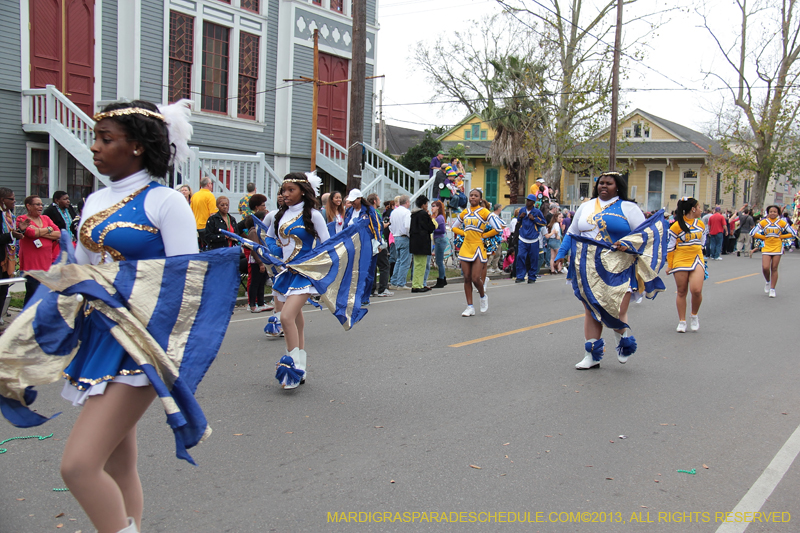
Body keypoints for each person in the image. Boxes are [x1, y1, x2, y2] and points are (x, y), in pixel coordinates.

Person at [61, 99, 202, 533]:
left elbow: (188, 283)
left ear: (138, 146)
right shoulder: (95, 200)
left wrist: (166, 350)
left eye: (106, 139)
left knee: (79, 466)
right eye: (95, 138)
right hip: (98, 337)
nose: (95, 148)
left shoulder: (165, 202)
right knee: (119, 465)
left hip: (142, 344)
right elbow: (85, 267)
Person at [555, 171, 661, 370]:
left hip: (619, 265)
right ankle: (592, 354)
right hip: (586, 266)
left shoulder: (629, 208)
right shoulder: (586, 206)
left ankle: (622, 339)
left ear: (617, 186)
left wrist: (627, 243)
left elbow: (644, 235)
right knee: (590, 310)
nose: (603, 186)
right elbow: (572, 233)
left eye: (608, 183)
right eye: (601, 183)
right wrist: (560, 254)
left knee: (617, 309)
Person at [266, 172, 330, 389]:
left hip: (305, 274)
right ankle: (300, 368)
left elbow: (327, 244)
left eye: (291, 190)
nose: (286, 194)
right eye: (284, 190)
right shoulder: (279, 215)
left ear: (303, 191)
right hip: (287, 273)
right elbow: (270, 237)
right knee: (297, 320)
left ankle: (291, 367)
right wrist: (274, 250)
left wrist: (315, 266)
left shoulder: (314, 215)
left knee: (286, 317)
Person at [451, 189, 498, 316]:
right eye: (471, 195)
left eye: (476, 196)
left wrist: (484, 235)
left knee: (476, 278)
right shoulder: (465, 212)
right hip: (466, 247)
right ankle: (470, 307)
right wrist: (463, 233)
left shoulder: (484, 212)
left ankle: (483, 296)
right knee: (466, 277)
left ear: (480, 198)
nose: (473, 197)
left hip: (478, 247)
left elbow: (498, 228)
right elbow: (454, 227)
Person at [666, 197, 707, 332]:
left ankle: (694, 315)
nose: (701, 210)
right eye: (699, 207)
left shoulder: (700, 224)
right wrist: (670, 265)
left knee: (696, 290)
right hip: (680, 260)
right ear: (693, 209)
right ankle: (682, 321)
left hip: (697, 259)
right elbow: (670, 247)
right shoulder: (676, 226)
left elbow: (702, 242)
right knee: (682, 291)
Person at [16, 195, 61, 305]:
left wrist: (40, 232)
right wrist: (48, 231)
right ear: (29, 206)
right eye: (37, 204)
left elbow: (58, 233)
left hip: (46, 265)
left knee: (44, 296)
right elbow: (31, 233)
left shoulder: (46, 218)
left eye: (41, 204)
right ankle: (28, 319)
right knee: (33, 296)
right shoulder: (22, 219)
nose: (41, 206)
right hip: (31, 266)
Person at [344, 189, 384, 305]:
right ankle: (354, 296)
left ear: (359, 199)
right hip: (353, 244)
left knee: (368, 272)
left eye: (354, 200)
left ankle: (364, 297)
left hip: (368, 244)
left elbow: (377, 226)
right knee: (354, 271)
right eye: (350, 201)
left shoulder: (369, 210)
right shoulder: (349, 211)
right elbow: (346, 227)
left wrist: (378, 242)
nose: (352, 203)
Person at [751, 205, 797, 298]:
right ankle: (767, 281)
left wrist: (781, 236)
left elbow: (793, 233)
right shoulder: (763, 222)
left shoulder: (782, 222)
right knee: (765, 267)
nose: (773, 213)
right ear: (768, 213)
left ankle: (772, 289)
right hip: (767, 246)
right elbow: (752, 232)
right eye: (771, 211)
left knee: (774, 268)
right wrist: (763, 237)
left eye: (775, 212)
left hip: (777, 246)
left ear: (778, 213)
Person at [0, 188, 22, 321]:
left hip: (7, 257)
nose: (14, 202)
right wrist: (11, 235)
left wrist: (20, 230)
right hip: (1, 258)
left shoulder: (8, 215)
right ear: (3, 200)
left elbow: (10, 234)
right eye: (11, 199)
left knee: (3, 290)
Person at [515, 194, 547, 284]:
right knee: (520, 256)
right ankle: (520, 276)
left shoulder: (537, 212)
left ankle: (532, 277)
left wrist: (535, 219)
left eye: (529, 200)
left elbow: (544, 223)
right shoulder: (522, 210)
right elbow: (518, 221)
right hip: (522, 238)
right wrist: (520, 217)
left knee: (534, 259)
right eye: (527, 200)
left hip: (533, 239)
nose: (527, 202)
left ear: (533, 202)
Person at [367, 193, 392, 297]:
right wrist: (387, 224)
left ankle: (371, 289)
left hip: (370, 242)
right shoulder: (375, 212)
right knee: (384, 265)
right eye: (378, 199)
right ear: (374, 201)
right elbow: (379, 226)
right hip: (377, 241)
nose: (380, 201)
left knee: (373, 266)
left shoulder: (367, 211)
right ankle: (382, 289)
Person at [409, 195, 435, 293]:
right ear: (423, 204)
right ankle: (418, 285)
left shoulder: (413, 214)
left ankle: (415, 283)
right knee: (421, 265)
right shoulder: (423, 214)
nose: (427, 206)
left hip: (414, 242)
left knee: (417, 264)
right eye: (426, 204)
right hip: (422, 242)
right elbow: (431, 227)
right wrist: (430, 217)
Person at [247, 211, 270, 312]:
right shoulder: (253, 232)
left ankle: (261, 302)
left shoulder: (260, 230)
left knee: (261, 283)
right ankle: (252, 304)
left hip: (263, 260)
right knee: (255, 283)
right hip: (256, 261)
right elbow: (255, 249)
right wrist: (260, 263)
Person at [389, 195, 412, 290]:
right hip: (404, 236)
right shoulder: (407, 212)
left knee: (398, 260)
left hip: (396, 236)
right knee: (405, 261)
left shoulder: (394, 212)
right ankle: (401, 283)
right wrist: (409, 235)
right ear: (406, 202)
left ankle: (394, 281)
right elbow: (407, 226)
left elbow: (391, 226)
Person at [191, 176, 217, 249]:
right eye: (211, 184)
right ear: (208, 184)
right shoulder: (210, 196)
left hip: (196, 226)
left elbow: (191, 211)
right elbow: (213, 213)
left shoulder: (195, 195)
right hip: (206, 226)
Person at [431, 200, 448, 288]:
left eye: (434, 206)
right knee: (439, 260)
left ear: (438, 207)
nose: (432, 208)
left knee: (439, 261)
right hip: (438, 240)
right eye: (431, 206)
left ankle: (441, 279)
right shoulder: (436, 217)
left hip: (440, 240)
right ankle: (443, 278)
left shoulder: (440, 217)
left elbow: (442, 230)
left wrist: (433, 229)